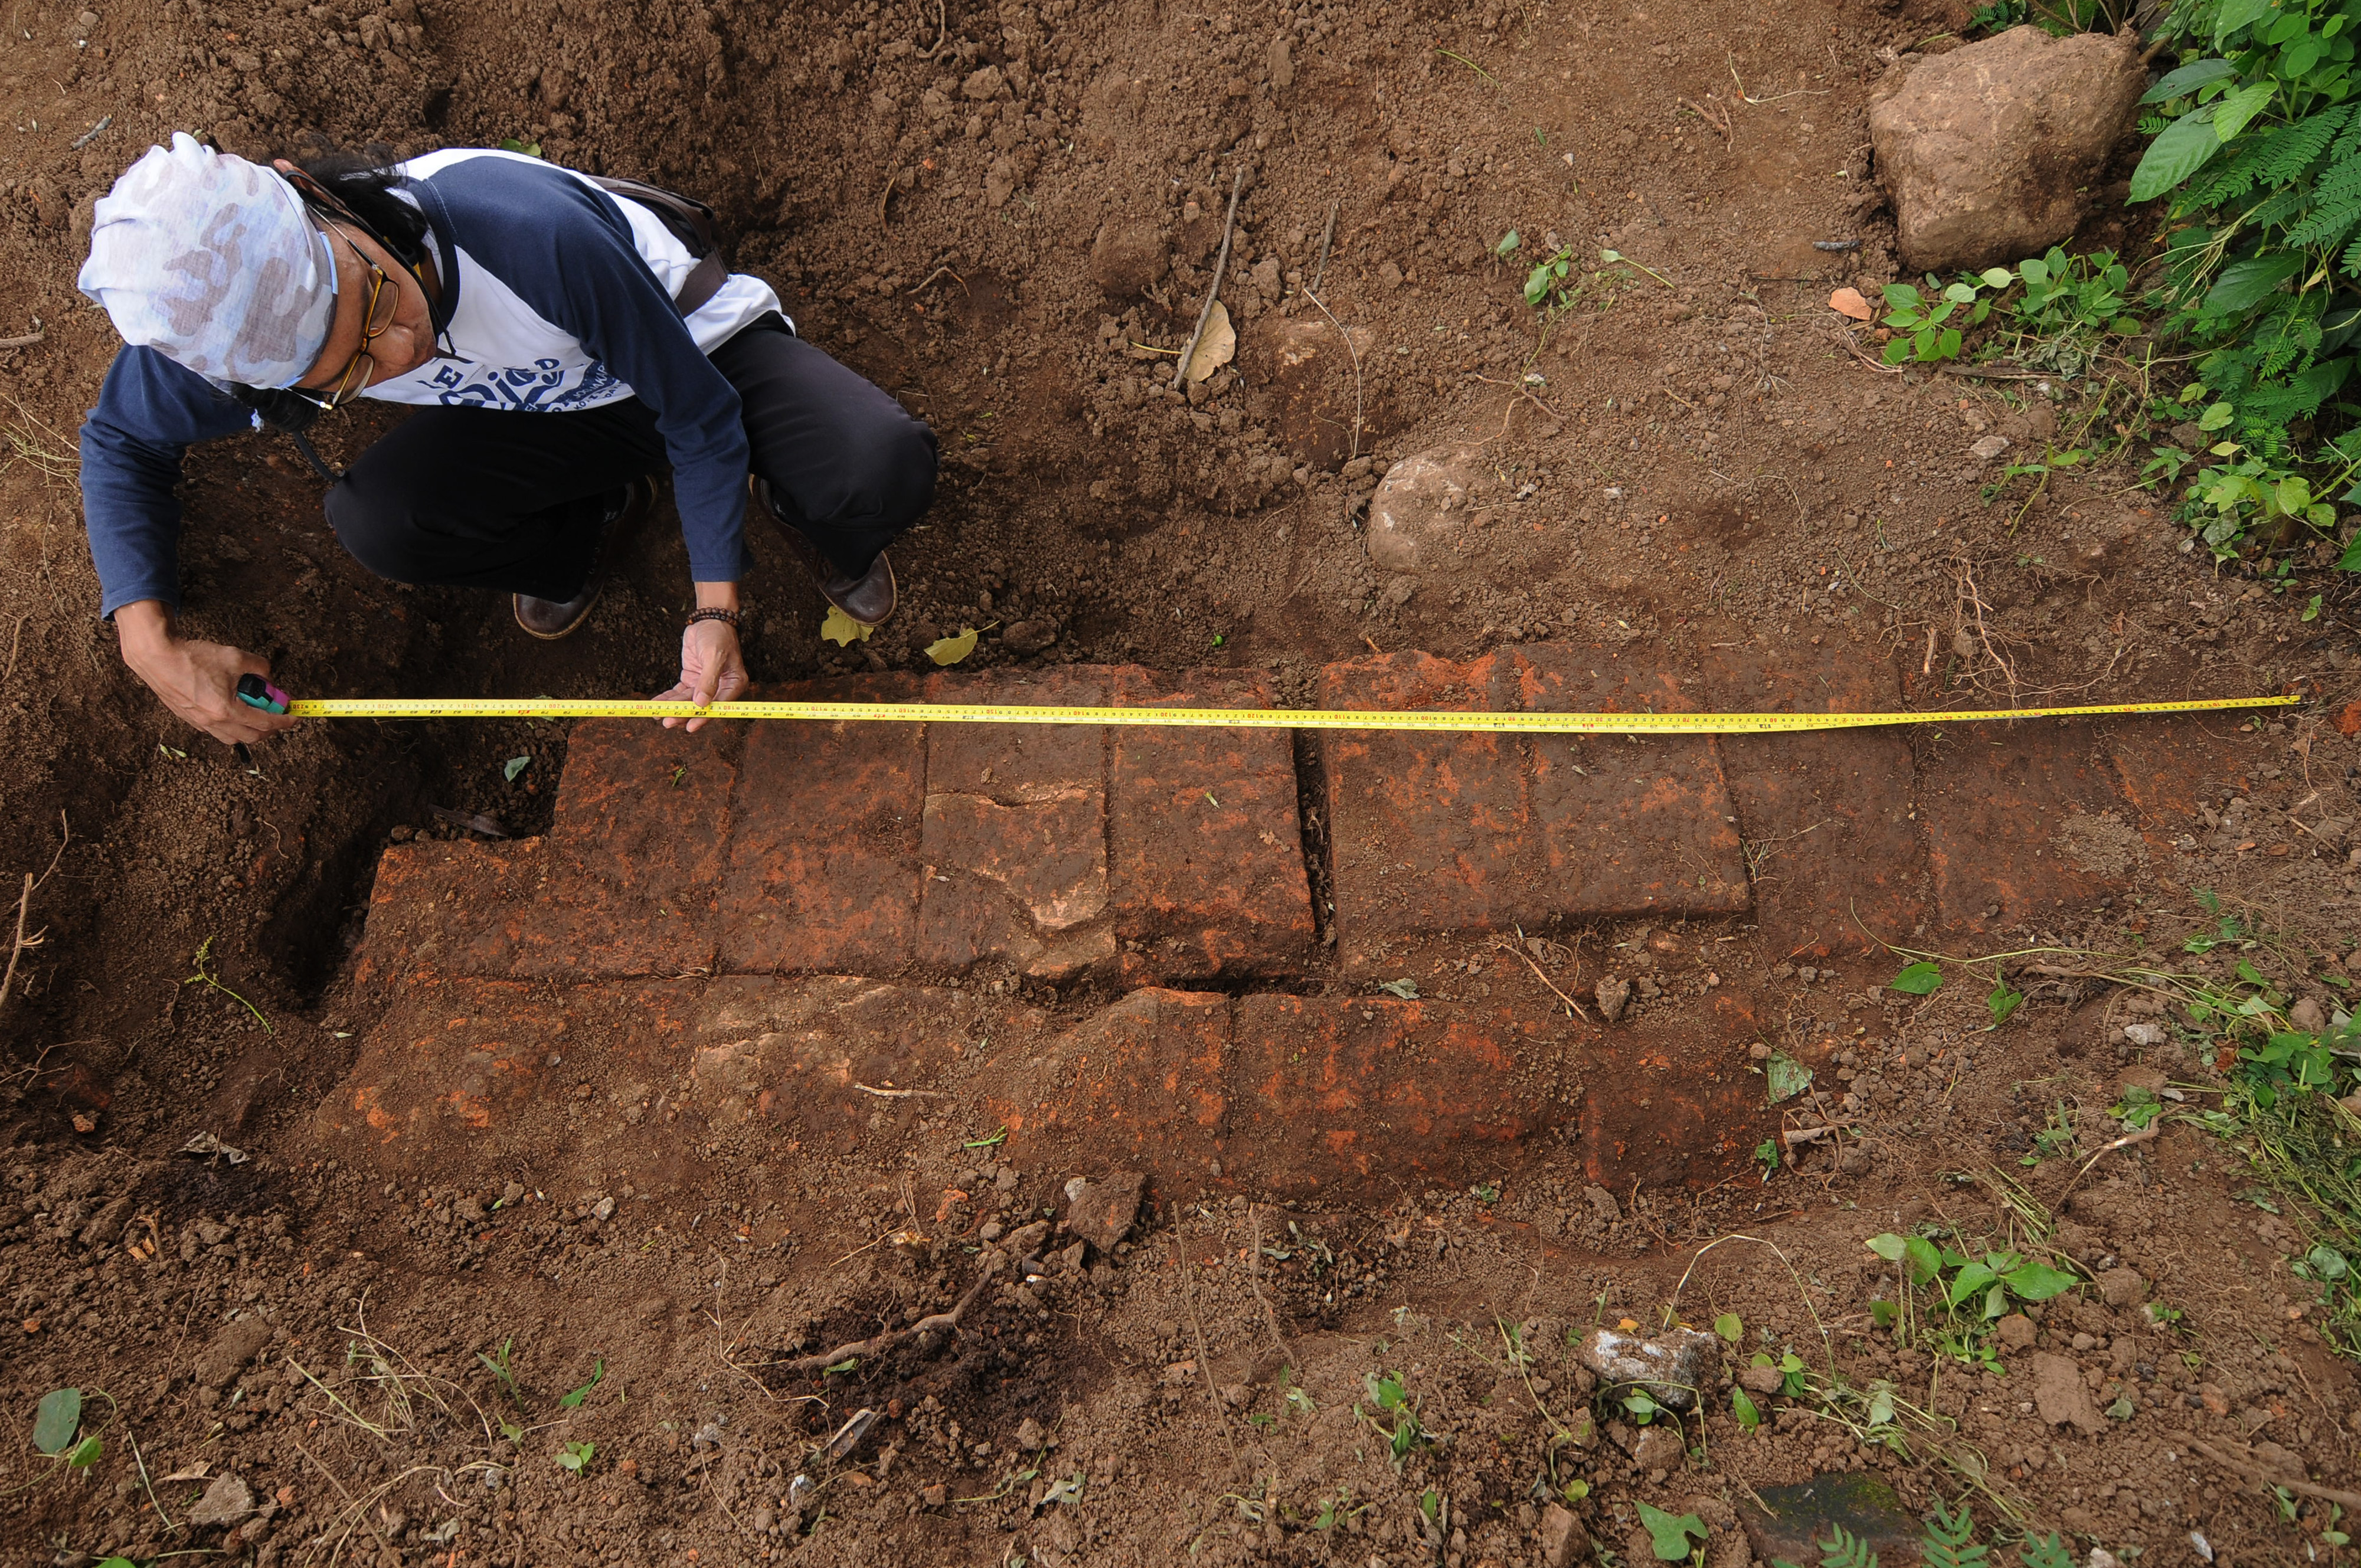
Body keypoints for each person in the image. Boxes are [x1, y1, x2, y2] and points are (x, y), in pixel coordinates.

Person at [75, 134, 937, 742]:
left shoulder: (522, 231)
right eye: (349, 372)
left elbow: (701, 414)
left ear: (320, 199)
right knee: (379, 520)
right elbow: (119, 438)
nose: (401, 351)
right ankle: (599, 521)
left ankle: (789, 501)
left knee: (879, 466)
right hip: (542, 408)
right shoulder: (243, 345)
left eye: (375, 302)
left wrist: (715, 607)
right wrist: (148, 644)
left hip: (693, 354)